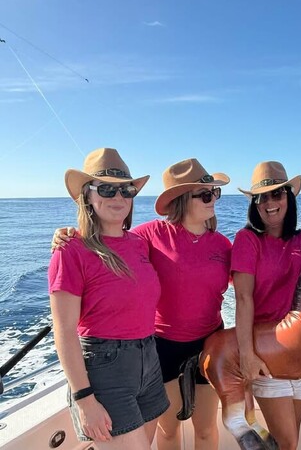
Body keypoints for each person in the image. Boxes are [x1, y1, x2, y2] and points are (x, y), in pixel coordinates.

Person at [52, 158, 232, 450]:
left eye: (214, 193)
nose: (212, 199)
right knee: (168, 430)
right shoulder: (147, 236)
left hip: (208, 344)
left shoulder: (223, 245)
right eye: (205, 194)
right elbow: (104, 243)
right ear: (181, 199)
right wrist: (68, 234)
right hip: (160, 347)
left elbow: (251, 287)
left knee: (206, 427)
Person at [48, 148, 169, 449]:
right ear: (87, 195)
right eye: (106, 189)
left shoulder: (139, 244)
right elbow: (64, 330)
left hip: (149, 360)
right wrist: (84, 400)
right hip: (105, 370)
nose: (118, 197)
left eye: (126, 189)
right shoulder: (71, 250)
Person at [231, 161, 301, 450]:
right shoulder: (247, 240)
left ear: (289, 198)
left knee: (287, 441)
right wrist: (246, 354)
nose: (270, 203)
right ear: (254, 204)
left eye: (277, 194)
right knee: (288, 442)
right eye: (262, 197)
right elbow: (243, 299)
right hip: (267, 353)